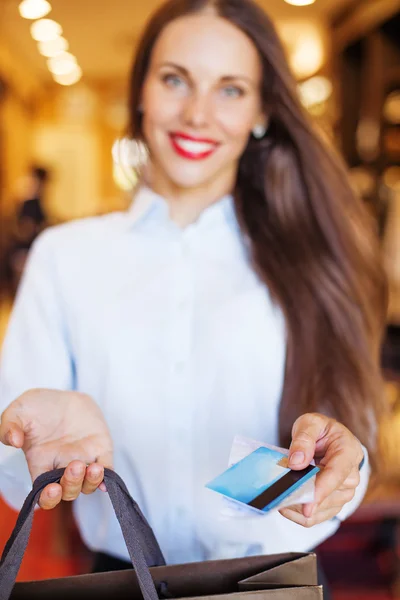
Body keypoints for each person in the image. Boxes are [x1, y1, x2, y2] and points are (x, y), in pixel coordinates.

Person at [0, 0, 387, 591]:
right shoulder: (66, 257)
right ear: (141, 92)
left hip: (277, 585)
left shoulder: (314, 259)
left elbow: (354, 454)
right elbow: (8, 468)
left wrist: (341, 470)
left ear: (261, 111)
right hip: (122, 580)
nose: (197, 113)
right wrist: (30, 450)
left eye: (230, 90)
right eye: (175, 79)